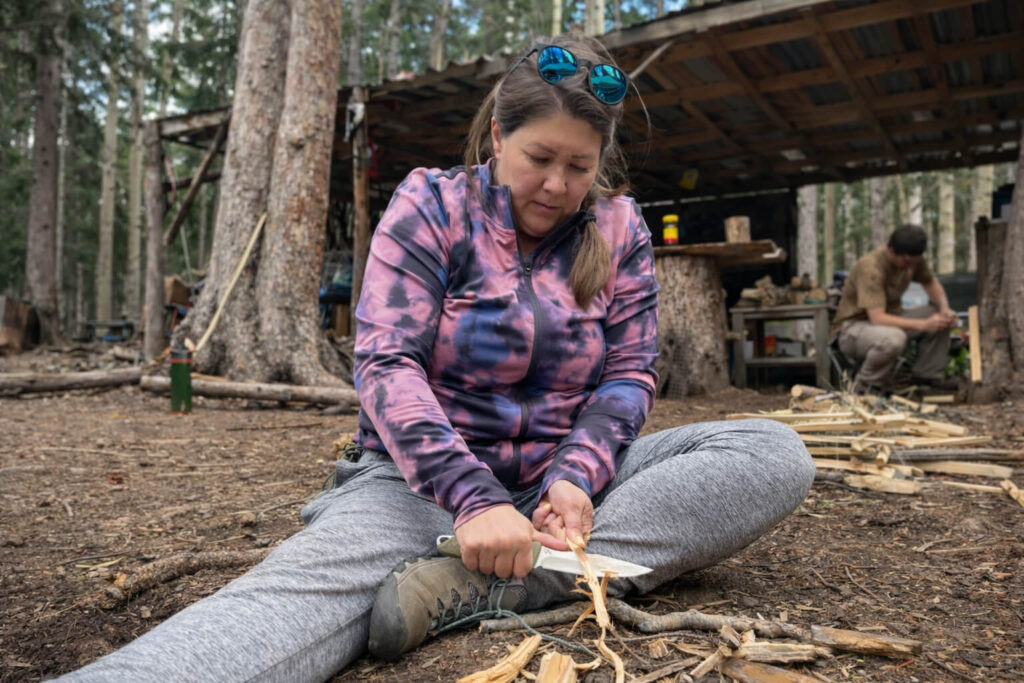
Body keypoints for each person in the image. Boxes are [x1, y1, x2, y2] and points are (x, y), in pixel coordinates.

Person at [55, 34, 814, 683]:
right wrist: (474, 497)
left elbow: (629, 373)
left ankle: (520, 580)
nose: (557, 185)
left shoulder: (619, 228)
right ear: (497, 138)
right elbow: (387, 364)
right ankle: (525, 567)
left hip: (560, 494)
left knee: (770, 451)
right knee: (286, 603)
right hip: (418, 483)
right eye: (539, 158)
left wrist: (578, 478)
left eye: (579, 168)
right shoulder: (432, 205)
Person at [831, 224, 958, 393]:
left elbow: (930, 283)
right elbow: (878, 318)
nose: (909, 267)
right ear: (890, 250)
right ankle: (865, 388)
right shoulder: (871, 268)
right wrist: (924, 325)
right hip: (853, 329)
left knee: (940, 318)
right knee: (893, 339)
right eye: (906, 262)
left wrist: (945, 309)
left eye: (913, 263)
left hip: (890, 318)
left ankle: (927, 379)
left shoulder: (912, 259)